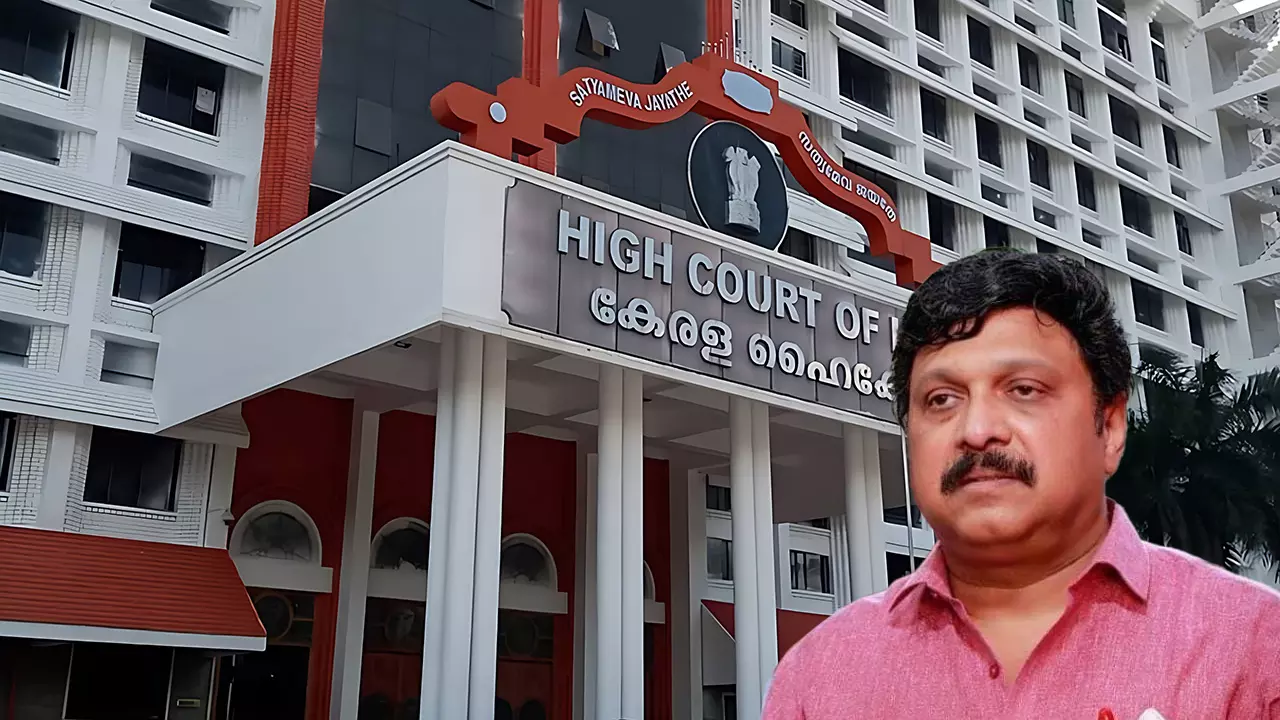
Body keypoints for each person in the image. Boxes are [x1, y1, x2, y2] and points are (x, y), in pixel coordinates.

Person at [762, 249, 1280, 719]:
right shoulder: (821, 676)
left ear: (1110, 425)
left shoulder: (1252, 648)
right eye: (942, 399)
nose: (977, 430)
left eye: (1024, 390)